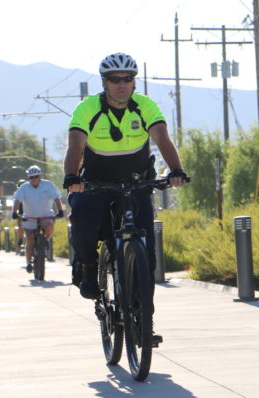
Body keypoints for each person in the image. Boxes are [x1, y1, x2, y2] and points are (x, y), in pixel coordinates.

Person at [63, 52, 187, 343]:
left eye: (127, 79)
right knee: (82, 215)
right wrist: (72, 176)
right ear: (104, 82)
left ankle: (145, 322)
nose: (121, 84)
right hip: (95, 181)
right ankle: (88, 267)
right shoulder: (88, 107)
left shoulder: (145, 106)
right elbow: (75, 144)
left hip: (136, 182)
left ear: (134, 82)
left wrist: (176, 170)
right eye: (114, 79)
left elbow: (162, 137)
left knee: (147, 250)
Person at [12, 166, 64, 273]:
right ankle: (28, 263)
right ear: (29, 178)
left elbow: (56, 198)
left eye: (36, 176)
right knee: (30, 239)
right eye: (31, 177)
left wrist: (60, 210)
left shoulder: (48, 185)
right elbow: (17, 200)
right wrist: (14, 212)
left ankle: (46, 240)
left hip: (45, 216)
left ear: (40, 176)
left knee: (50, 226)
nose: (34, 179)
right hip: (30, 217)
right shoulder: (24, 187)